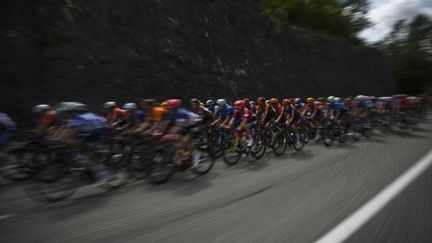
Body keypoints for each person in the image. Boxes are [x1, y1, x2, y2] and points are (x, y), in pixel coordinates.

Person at [50, 102, 110, 186]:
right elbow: (63, 130)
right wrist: (54, 139)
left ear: (71, 112)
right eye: (63, 114)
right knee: (73, 144)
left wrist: (57, 140)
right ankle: (83, 164)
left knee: (86, 151)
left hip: (97, 132)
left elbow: (66, 135)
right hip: (88, 130)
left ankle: (102, 173)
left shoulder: (76, 119)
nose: (63, 115)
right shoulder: (73, 118)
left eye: (65, 113)